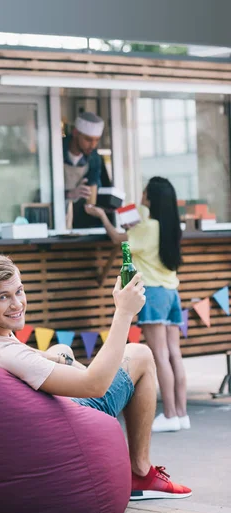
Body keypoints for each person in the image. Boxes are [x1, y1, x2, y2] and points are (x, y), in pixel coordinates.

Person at [0, 253, 191, 500]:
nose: (17, 304)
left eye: (19, 291)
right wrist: (123, 313)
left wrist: (60, 359)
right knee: (140, 354)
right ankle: (141, 473)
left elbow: (24, 355)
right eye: (3, 297)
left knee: (61, 349)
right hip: (64, 421)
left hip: (32, 411)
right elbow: (95, 386)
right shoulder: (7, 352)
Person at [85, 176, 188, 433]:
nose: (141, 194)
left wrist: (102, 217)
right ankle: (181, 413)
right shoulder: (170, 225)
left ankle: (170, 414)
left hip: (153, 293)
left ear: (150, 197)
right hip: (172, 292)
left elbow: (118, 239)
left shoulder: (147, 226)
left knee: (160, 355)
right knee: (174, 354)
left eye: (145, 191)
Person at [63, 111, 110, 229]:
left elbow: (120, 240)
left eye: (96, 140)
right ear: (75, 133)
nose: (93, 145)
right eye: (88, 139)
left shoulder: (125, 240)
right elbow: (121, 240)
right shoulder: (127, 240)